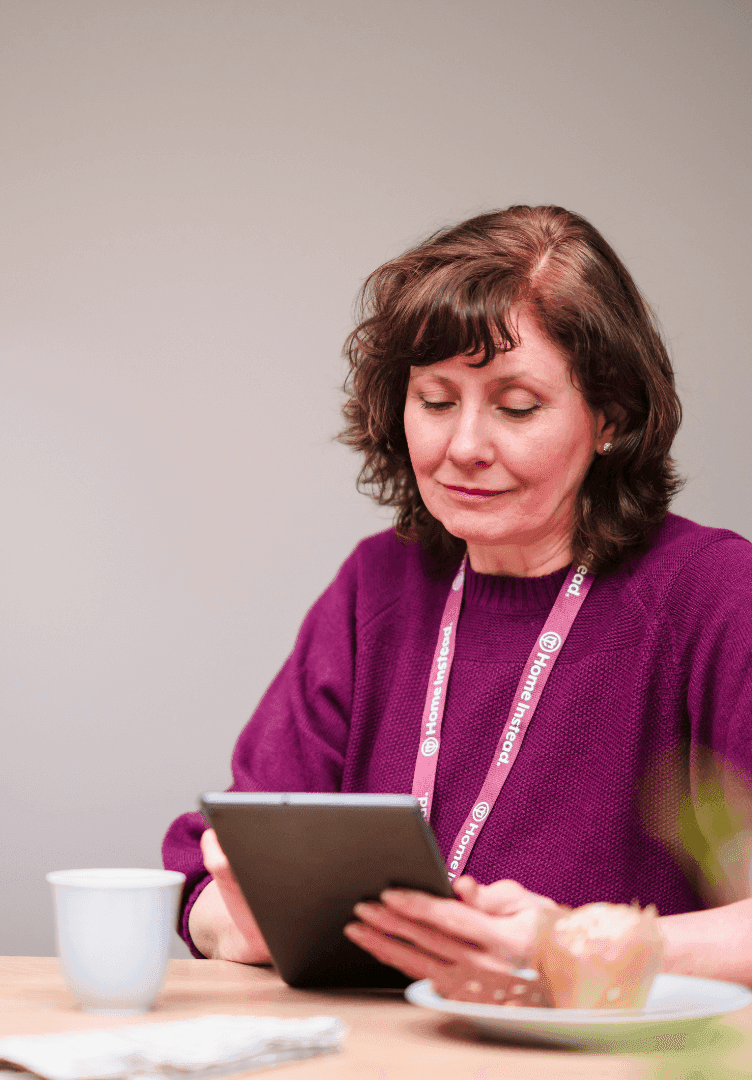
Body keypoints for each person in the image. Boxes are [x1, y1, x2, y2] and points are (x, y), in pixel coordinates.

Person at [161, 204, 752, 991]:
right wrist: (242, 919)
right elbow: (210, 869)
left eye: (516, 407)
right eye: (436, 401)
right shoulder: (377, 585)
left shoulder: (714, 595)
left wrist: (565, 945)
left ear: (609, 415)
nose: (464, 447)